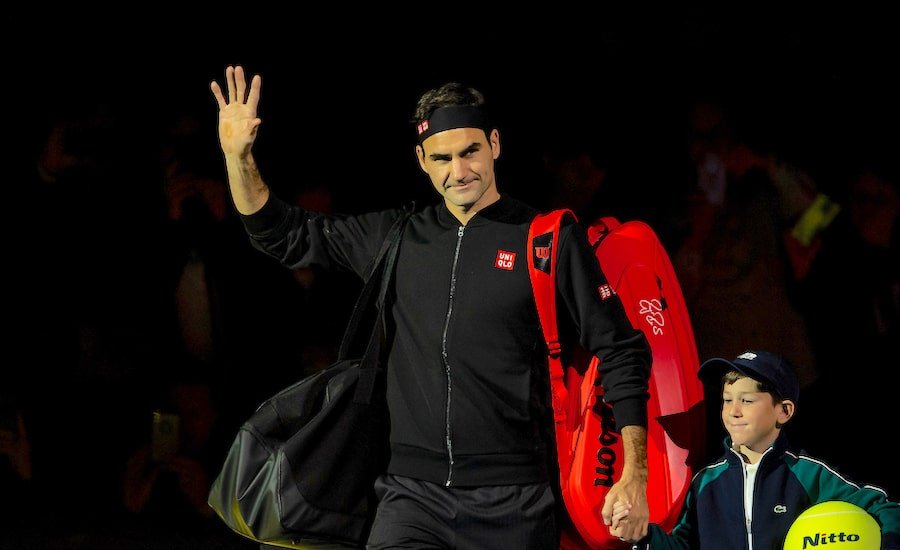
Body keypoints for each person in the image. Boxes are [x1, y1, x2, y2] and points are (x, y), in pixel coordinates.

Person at [209, 65, 653, 549]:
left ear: (496, 145)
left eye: (470, 152)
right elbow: (284, 234)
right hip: (409, 497)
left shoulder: (545, 240)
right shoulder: (398, 236)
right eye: (442, 158)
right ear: (422, 160)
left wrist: (635, 473)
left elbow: (623, 351)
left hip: (516, 501)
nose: (458, 171)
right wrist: (239, 156)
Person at [608, 349, 900, 549]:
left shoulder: (809, 474)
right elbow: (682, 545)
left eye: (746, 400)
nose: (733, 411)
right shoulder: (704, 483)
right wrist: (643, 535)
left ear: (783, 411)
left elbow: (886, 508)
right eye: (726, 400)